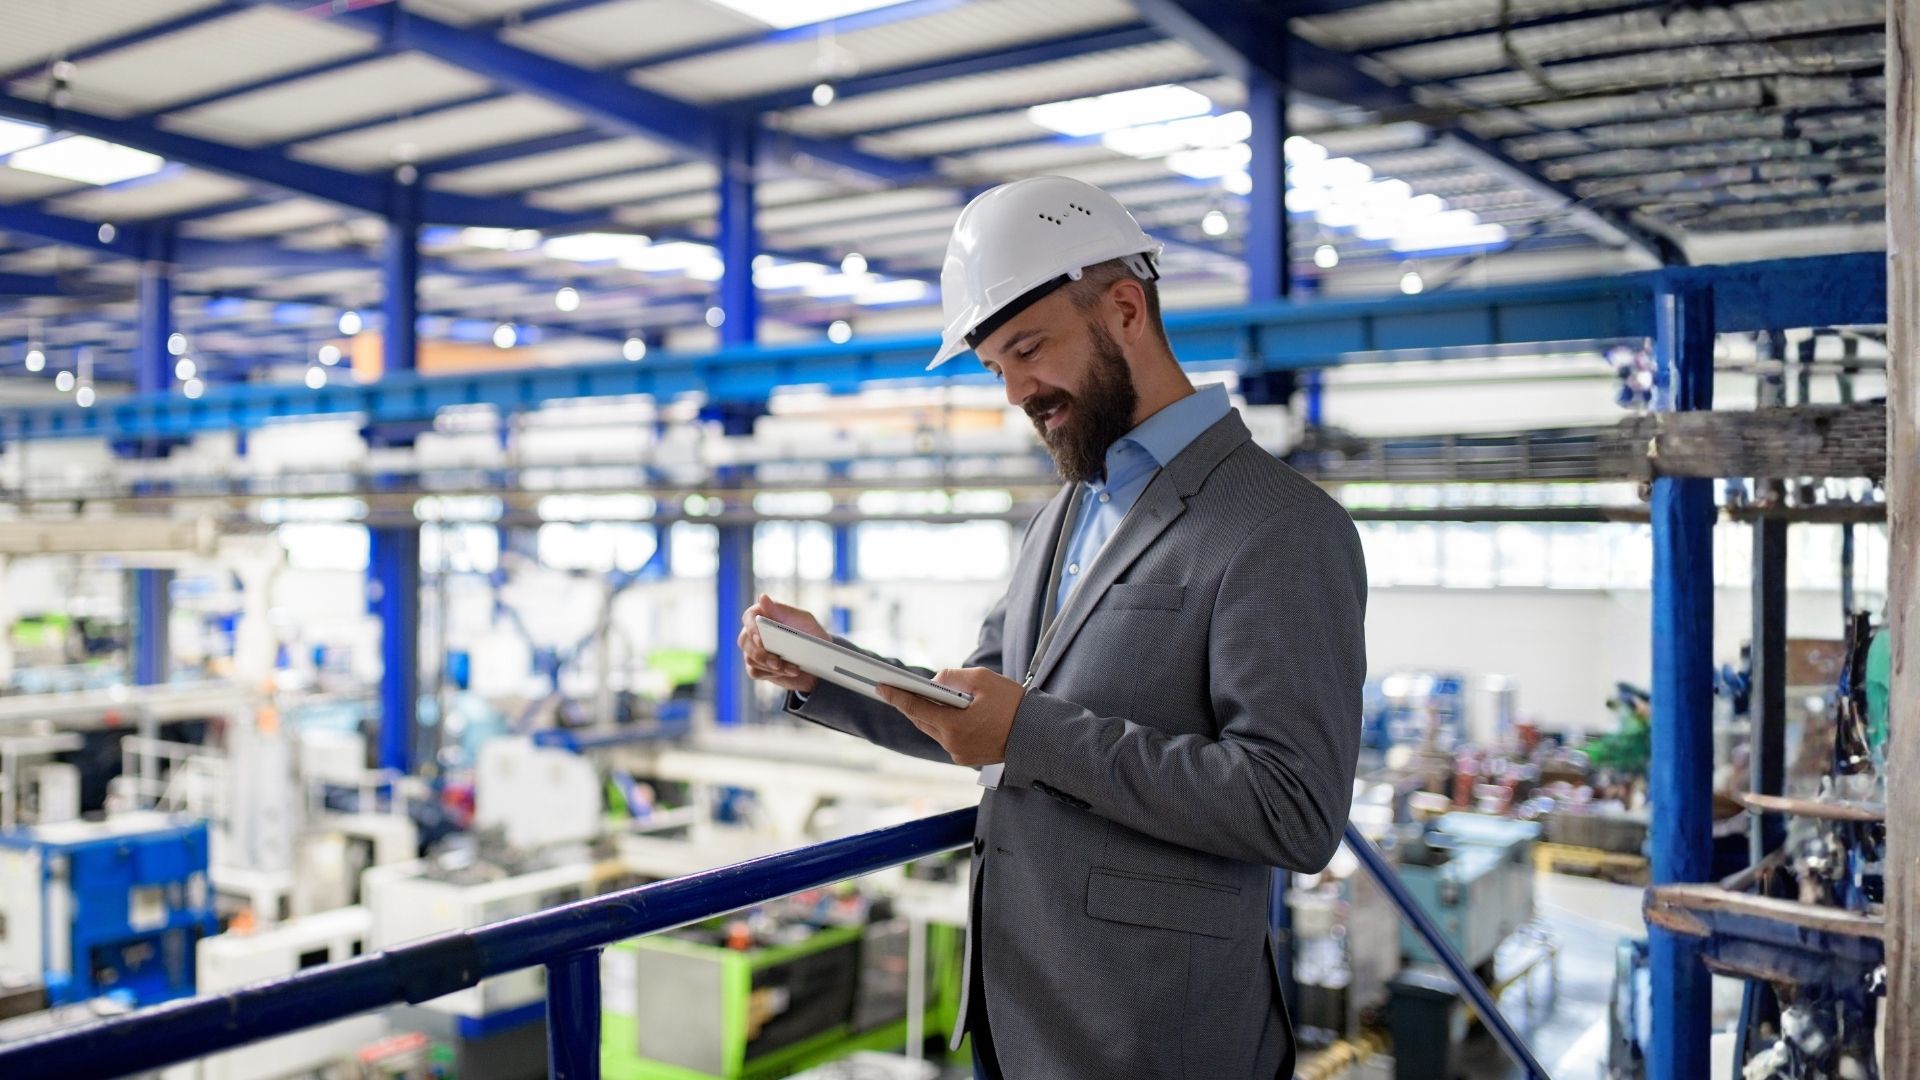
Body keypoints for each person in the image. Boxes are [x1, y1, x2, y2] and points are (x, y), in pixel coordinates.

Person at [739, 175, 1366, 1079]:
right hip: (1019, 1020)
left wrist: (1030, 732)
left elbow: (1293, 809)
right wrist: (824, 668)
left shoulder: (1278, 527)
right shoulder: (1068, 512)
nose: (1016, 392)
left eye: (1029, 349)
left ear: (1124, 310)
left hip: (1154, 1041)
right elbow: (974, 707)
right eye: (997, 367)